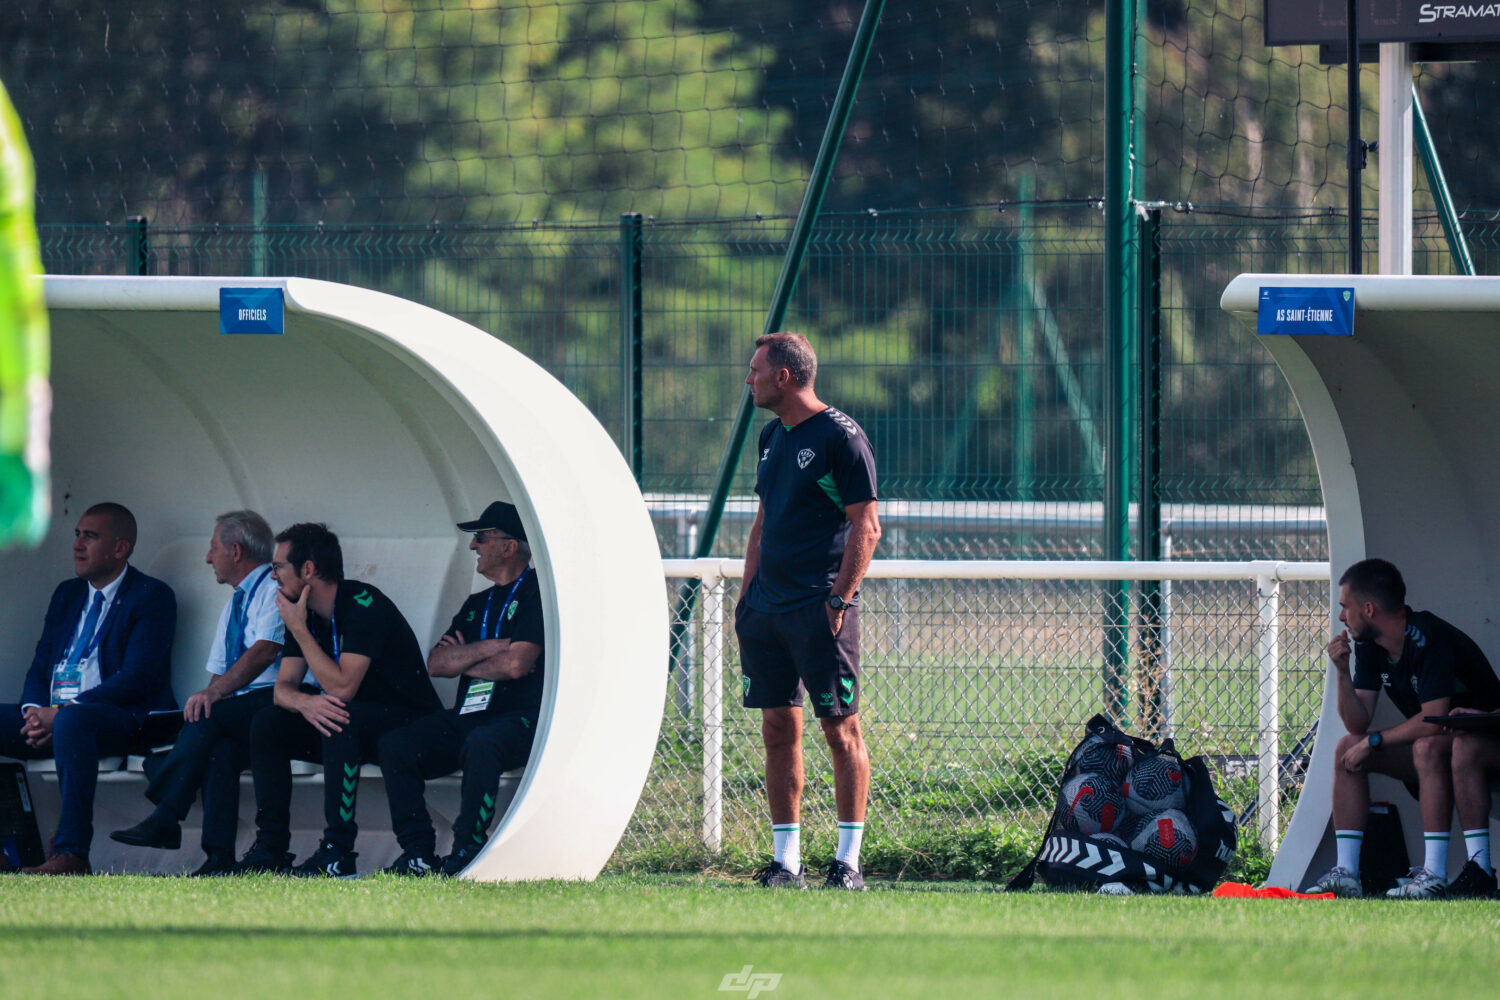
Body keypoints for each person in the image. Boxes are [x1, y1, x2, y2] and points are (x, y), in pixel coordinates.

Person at [735, 332, 880, 890]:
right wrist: (747, 597)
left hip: (819, 608)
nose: (748, 380)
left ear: (784, 378)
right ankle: (786, 863)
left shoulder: (841, 437)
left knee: (840, 730)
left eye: (755, 371)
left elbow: (866, 527)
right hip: (766, 611)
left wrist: (839, 600)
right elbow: (763, 521)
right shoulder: (772, 436)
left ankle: (847, 864)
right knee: (777, 728)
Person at [231, 522, 440, 877]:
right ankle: (271, 847)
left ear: (308, 570)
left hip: (410, 723)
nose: (273, 577)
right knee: (269, 721)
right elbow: (283, 689)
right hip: (353, 722)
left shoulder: (363, 603)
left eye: (278, 567)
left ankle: (338, 851)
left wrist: (297, 630)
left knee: (338, 715)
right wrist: (304, 703)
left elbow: (343, 689)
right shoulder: (305, 613)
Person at [1306, 558, 1500, 898]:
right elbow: (1357, 721)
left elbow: (1434, 717)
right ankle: (1347, 873)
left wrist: (1377, 740)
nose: (1341, 617)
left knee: (1424, 746)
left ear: (1368, 608)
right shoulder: (1368, 645)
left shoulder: (1427, 636)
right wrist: (1342, 672)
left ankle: (1434, 875)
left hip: (1485, 743)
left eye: (1344, 607)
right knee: (1346, 749)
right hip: (1445, 743)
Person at [0, 502, 176, 874]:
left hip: (121, 718)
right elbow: (41, 662)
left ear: (120, 548)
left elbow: (137, 677)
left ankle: (71, 854)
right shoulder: (67, 594)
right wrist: (33, 711)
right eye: (77, 534)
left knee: (72, 722)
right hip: (56, 716)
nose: (78, 544)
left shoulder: (151, 595)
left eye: (90, 536)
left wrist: (61, 713)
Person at [109, 511, 284, 875]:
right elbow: (217, 676)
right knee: (217, 750)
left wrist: (211, 699)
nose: (208, 558)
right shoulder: (235, 603)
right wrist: (200, 710)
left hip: (279, 700)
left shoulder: (275, 587)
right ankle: (219, 858)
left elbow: (266, 649)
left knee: (210, 715)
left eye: (212, 548)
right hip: (240, 712)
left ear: (235, 551)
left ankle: (166, 813)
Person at [377, 501, 545, 877]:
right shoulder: (476, 604)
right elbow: (437, 664)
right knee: (395, 744)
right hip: (469, 715)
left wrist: (465, 657)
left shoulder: (537, 593)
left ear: (508, 546)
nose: (473, 546)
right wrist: (490, 647)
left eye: (480, 538)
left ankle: (468, 847)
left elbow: (517, 665)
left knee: (483, 743)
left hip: (519, 719)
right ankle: (418, 853)